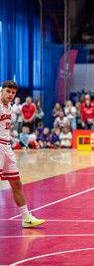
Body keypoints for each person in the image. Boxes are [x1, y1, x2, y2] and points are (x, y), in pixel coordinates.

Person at [0, 80, 45, 227]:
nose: (10, 95)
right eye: (8, 92)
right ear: (2, 91)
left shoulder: (10, 108)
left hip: (7, 147)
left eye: (13, 93)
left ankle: (26, 217)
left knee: (16, 183)